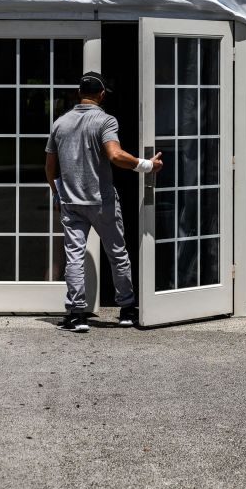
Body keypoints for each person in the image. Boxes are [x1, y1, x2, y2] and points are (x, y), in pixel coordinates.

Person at [45, 72, 162, 332]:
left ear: (79, 93)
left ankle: (77, 314)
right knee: (117, 253)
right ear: (101, 94)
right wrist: (147, 165)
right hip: (101, 201)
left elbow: (49, 167)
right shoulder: (105, 120)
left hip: (71, 201)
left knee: (74, 257)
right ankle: (127, 309)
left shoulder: (60, 123)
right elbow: (115, 155)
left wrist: (57, 193)